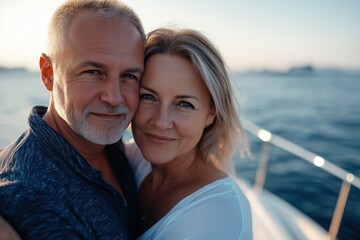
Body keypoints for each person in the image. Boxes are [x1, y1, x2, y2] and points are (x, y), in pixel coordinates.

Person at [0, 0, 145, 238]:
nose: (114, 97)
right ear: (48, 73)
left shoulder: (111, 149)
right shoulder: (29, 195)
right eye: (93, 72)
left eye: (129, 76)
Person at [126, 28, 253, 239]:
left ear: (211, 114)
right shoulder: (130, 158)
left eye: (184, 104)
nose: (160, 121)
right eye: (148, 96)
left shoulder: (219, 217)